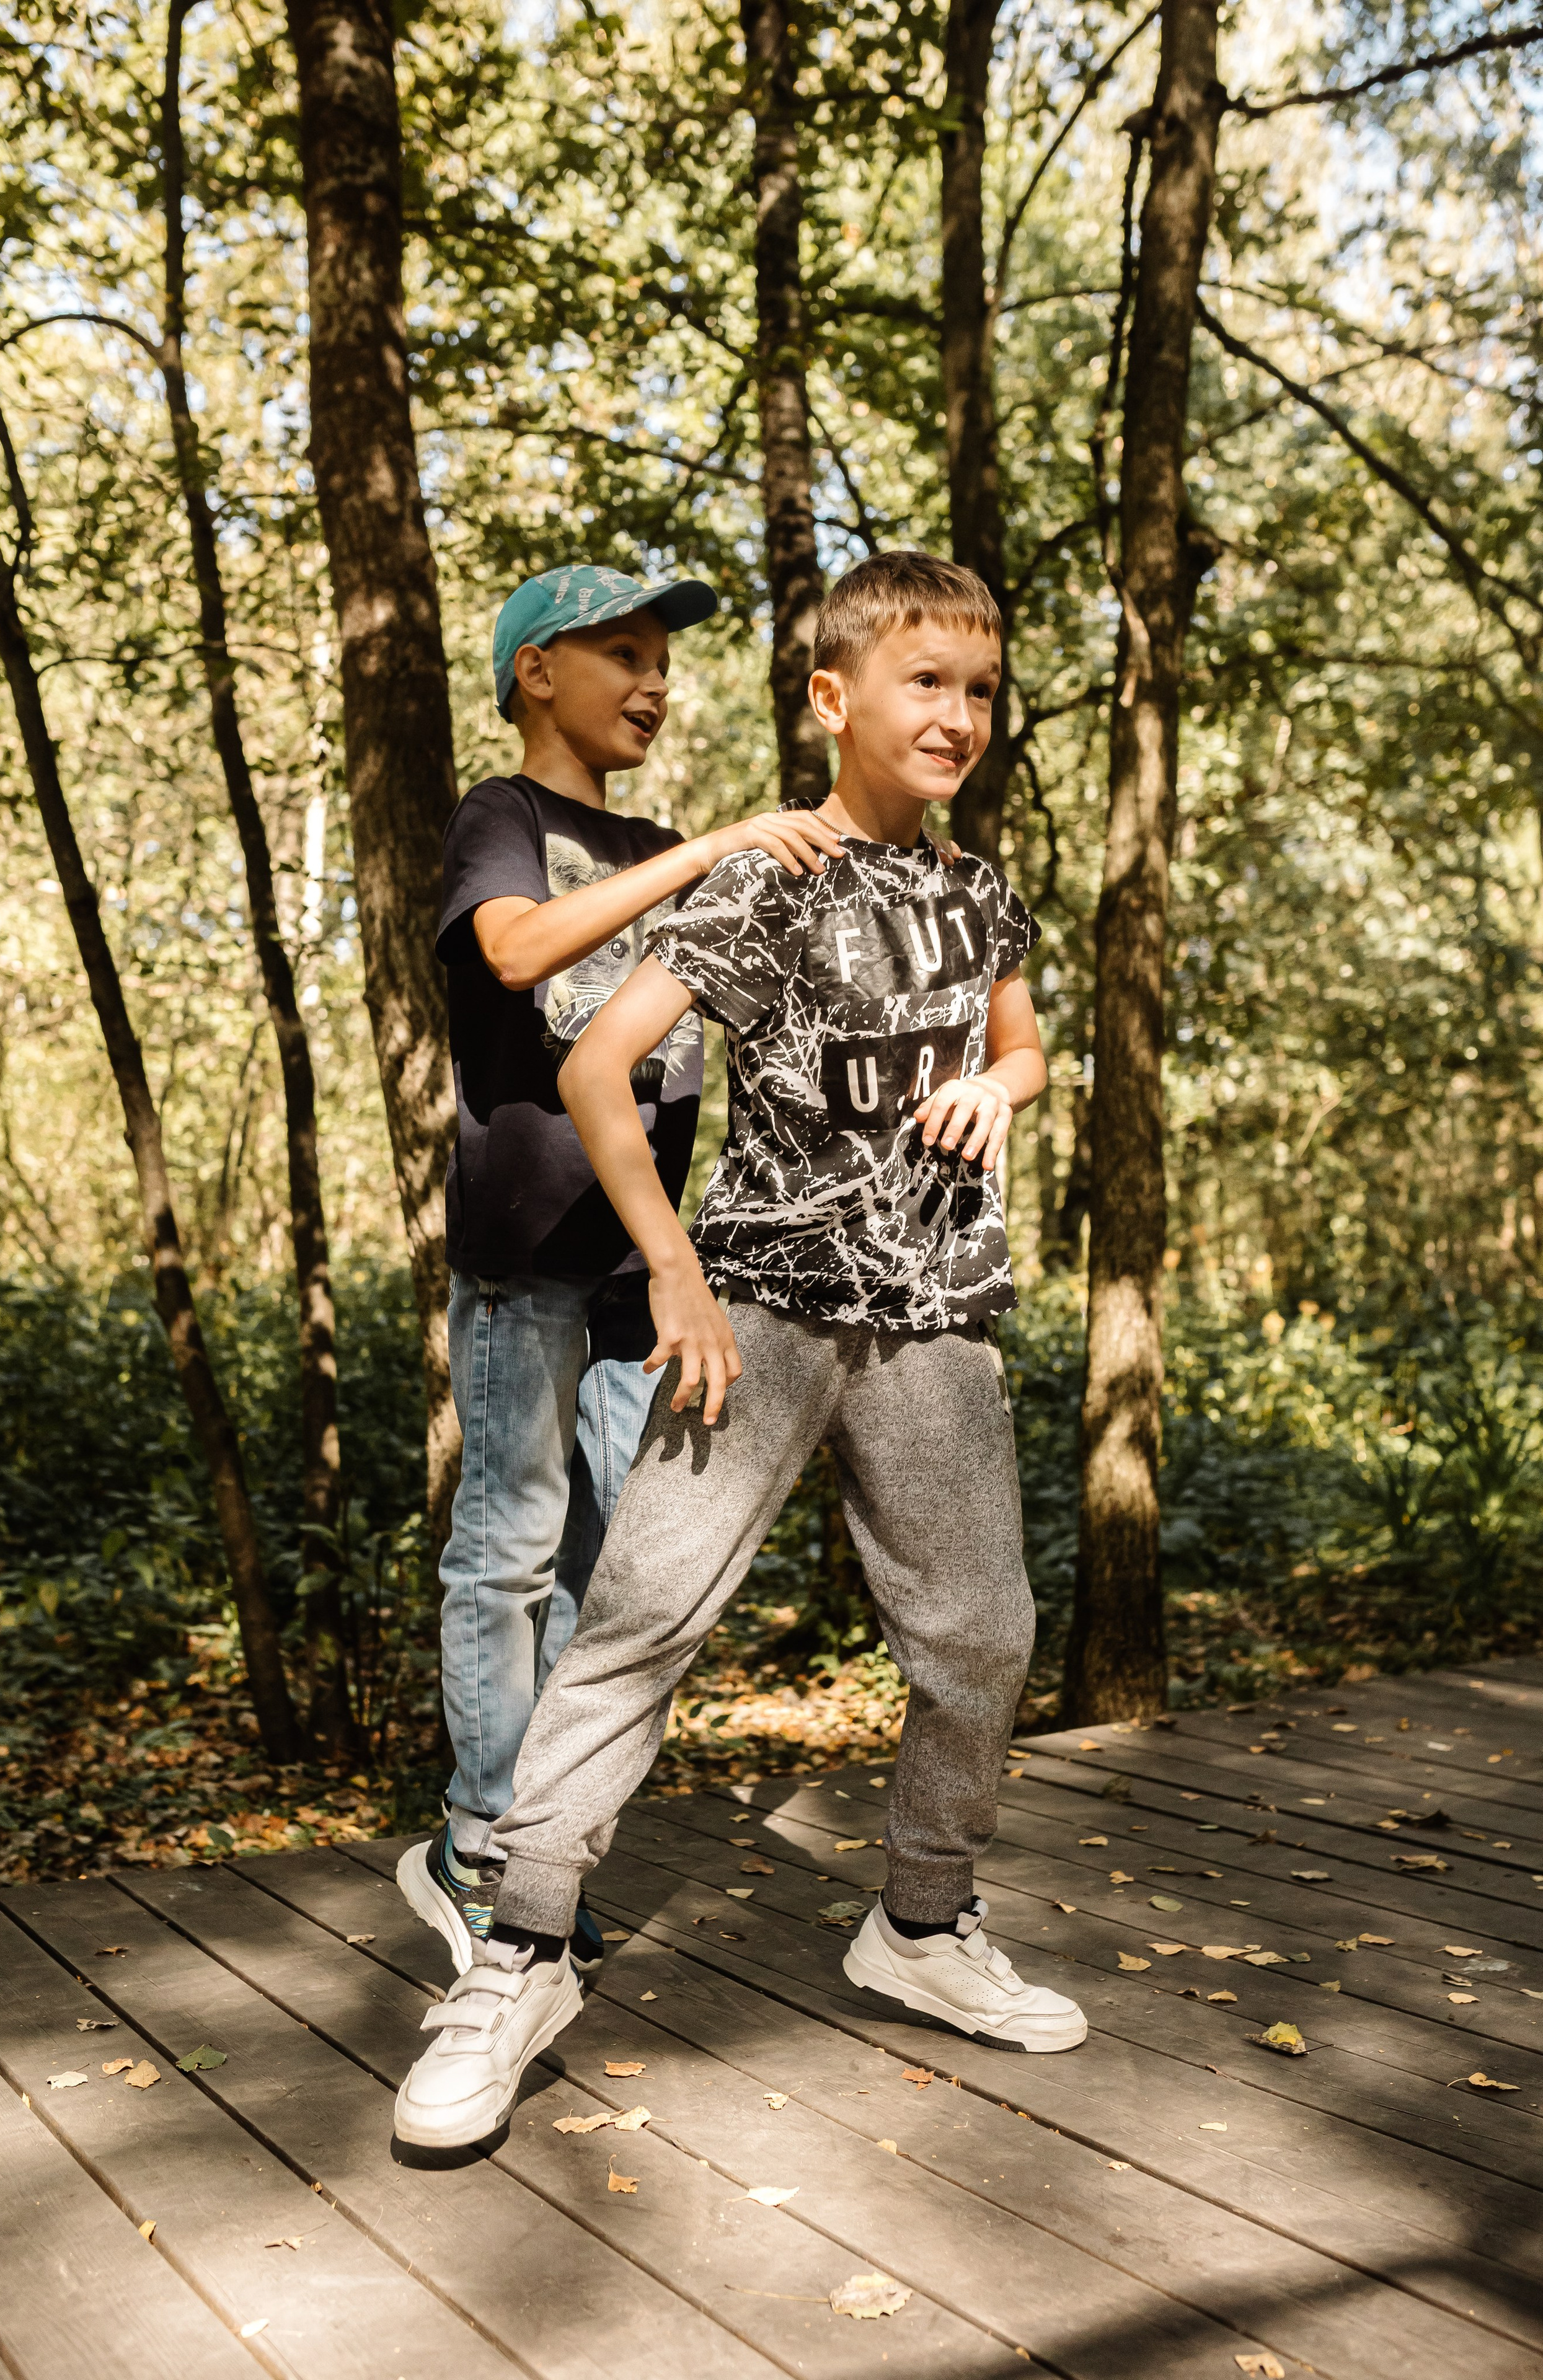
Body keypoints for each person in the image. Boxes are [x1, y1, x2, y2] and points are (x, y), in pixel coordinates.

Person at [394, 550, 1085, 2153]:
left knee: (983, 1636)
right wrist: (677, 1271)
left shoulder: (978, 892)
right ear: (835, 701)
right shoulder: (766, 876)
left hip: (937, 1315)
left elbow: (1026, 1040)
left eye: (981, 689)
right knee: (636, 1617)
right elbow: (597, 1070)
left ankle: (920, 1923)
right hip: (760, 1308)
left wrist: (1008, 1087)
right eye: (927, 682)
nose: (961, 713)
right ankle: (521, 1953)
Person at [401, 562, 846, 1984]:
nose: (654, 680)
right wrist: (710, 849)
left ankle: (535, 1837)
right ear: (537, 671)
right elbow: (517, 947)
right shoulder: (505, 817)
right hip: (525, 1252)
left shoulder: (660, 836)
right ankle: (476, 1841)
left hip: (642, 1276)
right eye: (624, 653)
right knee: (509, 1545)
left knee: (609, 1575)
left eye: (664, 658)